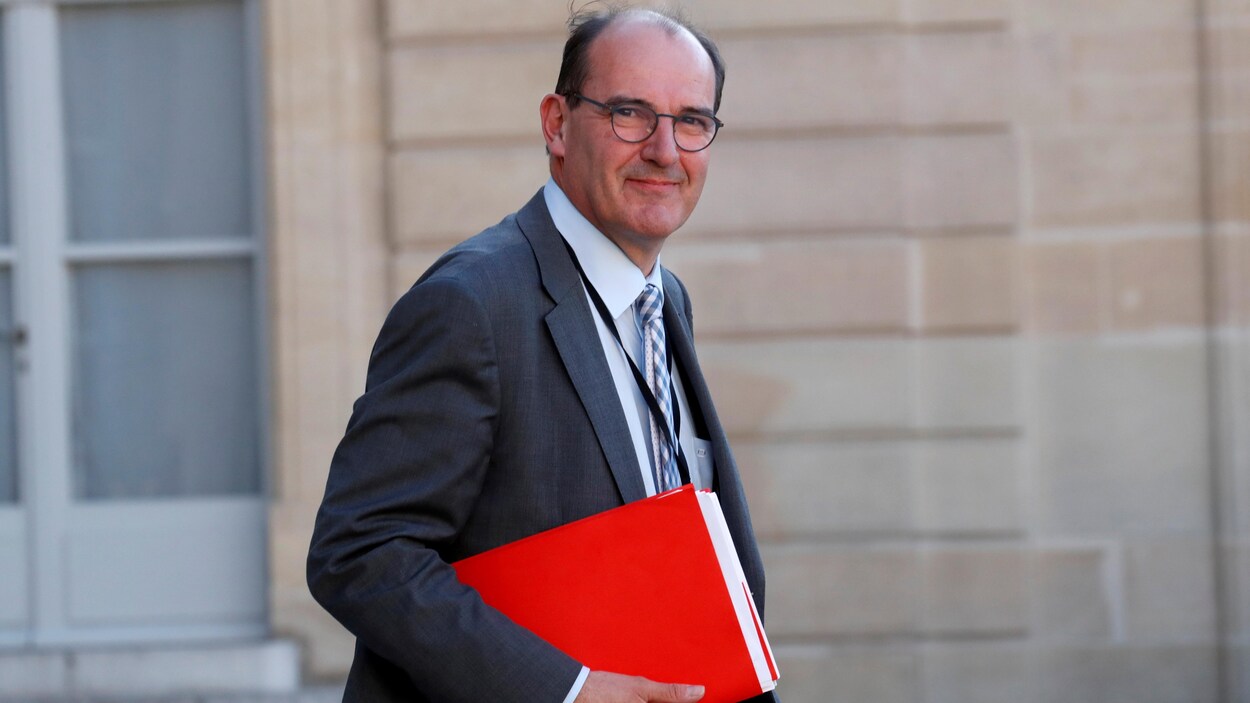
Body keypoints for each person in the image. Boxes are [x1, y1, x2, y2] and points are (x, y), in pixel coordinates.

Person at [307, 5, 776, 702]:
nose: (665, 150)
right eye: (629, 113)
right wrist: (568, 691)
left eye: (691, 121)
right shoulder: (471, 303)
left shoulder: (665, 299)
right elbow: (360, 551)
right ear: (557, 124)